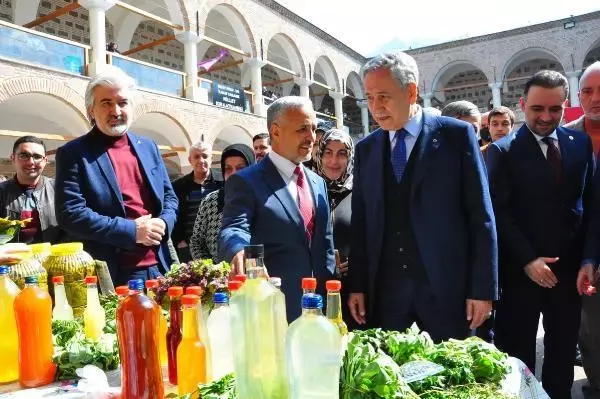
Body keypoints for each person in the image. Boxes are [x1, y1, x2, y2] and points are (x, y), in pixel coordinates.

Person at [347, 51, 497, 342]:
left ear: (411, 91)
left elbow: (481, 215)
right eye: (369, 97)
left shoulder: (456, 136)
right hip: (387, 299)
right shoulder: (367, 149)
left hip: (446, 294)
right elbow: (362, 224)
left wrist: (482, 289)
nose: (375, 107)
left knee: (448, 381)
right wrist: (357, 286)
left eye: (384, 96)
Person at [486, 70, 594, 398]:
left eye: (555, 109)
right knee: (518, 355)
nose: (546, 117)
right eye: (537, 109)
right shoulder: (502, 151)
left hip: (569, 274)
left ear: (565, 105)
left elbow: (591, 205)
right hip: (521, 275)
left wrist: (590, 258)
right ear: (522, 105)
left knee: (561, 353)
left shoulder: (580, 144)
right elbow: (498, 214)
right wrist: (528, 259)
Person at [55, 66, 178, 285]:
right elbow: (70, 214)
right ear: (91, 110)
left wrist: (164, 223)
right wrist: (132, 230)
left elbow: (169, 197)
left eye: (122, 103)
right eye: (106, 103)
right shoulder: (74, 153)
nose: (116, 111)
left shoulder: (148, 147)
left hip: (160, 267)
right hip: (114, 274)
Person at [218, 96, 336, 322]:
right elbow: (233, 226)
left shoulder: (317, 182)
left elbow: (326, 245)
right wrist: (239, 250)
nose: (311, 137)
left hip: (319, 308)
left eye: (313, 128)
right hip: (275, 311)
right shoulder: (246, 181)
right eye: (302, 129)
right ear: (276, 131)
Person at [568, 61, 600, 393]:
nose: (595, 98)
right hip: (578, 253)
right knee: (590, 327)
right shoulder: (565, 137)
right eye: (588, 91)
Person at [314, 128, 357, 329]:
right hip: (315, 289)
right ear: (319, 155)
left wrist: (356, 260)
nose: (334, 160)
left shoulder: (360, 192)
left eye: (342, 153)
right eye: (328, 152)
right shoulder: (308, 190)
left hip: (354, 291)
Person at [189, 144, 255, 262]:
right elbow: (197, 241)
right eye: (228, 169)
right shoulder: (211, 200)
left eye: (241, 168)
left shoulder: (262, 200)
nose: (234, 174)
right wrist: (210, 270)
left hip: (256, 274)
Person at [0, 136, 63, 243]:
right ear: (13, 158)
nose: (31, 162)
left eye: (37, 156)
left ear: (45, 161)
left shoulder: (59, 190)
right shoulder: (1, 192)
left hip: (50, 256)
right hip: (11, 257)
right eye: (24, 155)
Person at [172, 142, 222, 262]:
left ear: (211, 159)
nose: (201, 160)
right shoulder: (178, 186)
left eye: (205, 156)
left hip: (218, 247)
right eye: (196, 156)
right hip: (187, 249)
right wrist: (180, 241)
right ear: (190, 160)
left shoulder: (223, 183)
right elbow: (174, 214)